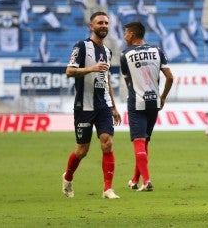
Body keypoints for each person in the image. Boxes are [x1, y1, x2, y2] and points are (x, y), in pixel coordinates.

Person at [62, 11, 122, 200]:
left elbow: (106, 80)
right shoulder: (81, 46)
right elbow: (69, 71)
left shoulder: (108, 51)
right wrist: (92, 69)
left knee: (107, 143)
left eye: (106, 22)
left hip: (103, 105)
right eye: (100, 23)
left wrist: (113, 106)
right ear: (91, 26)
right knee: (82, 150)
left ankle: (107, 189)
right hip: (84, 106)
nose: (104, 25)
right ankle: (68, 177)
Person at [120, 21, 174, 192]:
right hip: (154, 102)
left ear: (133, 34)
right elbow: (170, 77)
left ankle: (147, 180)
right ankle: (135, 180)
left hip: (137, 102)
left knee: (138, 141)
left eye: (126, 33)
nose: (124, 36)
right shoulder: (157, 51)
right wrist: (163, 97)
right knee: (145, 142)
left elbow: (128, 81)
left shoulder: (125, 55)